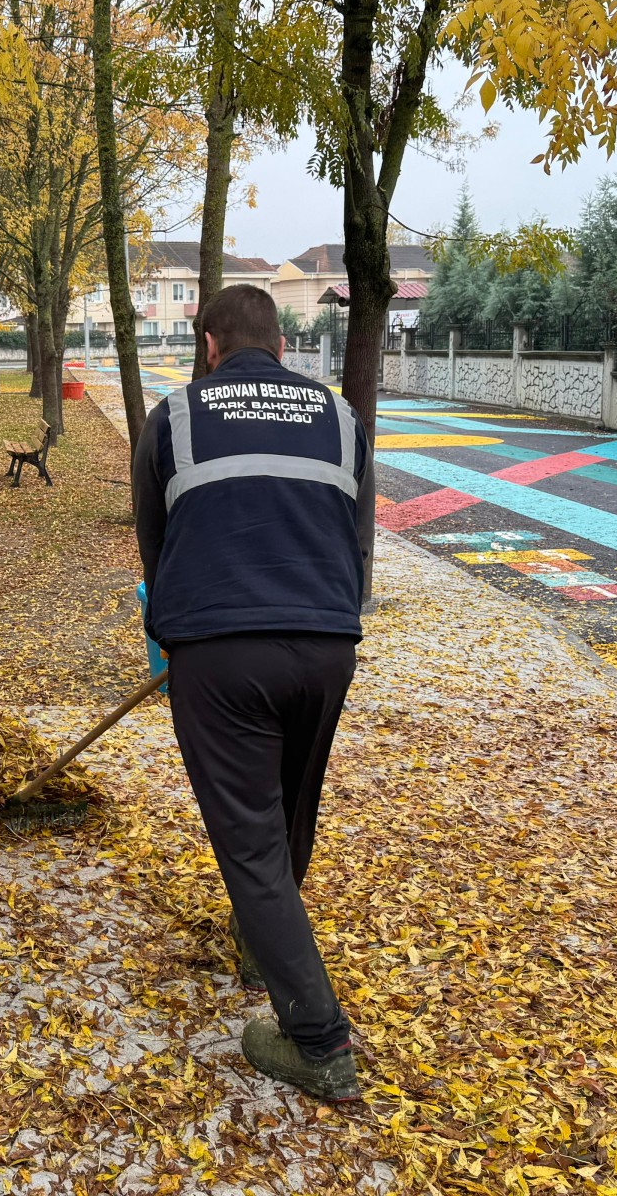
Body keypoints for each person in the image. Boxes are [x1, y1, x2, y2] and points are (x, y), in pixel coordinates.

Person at [131, 284, 373, 1102]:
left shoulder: (175, 416)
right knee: (291, 808)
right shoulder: (341, 418)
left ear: (209, 344)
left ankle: (317, 1041)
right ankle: (260, 939)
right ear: (280, 342)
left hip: (222, 656)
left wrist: (169, 634)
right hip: (328, 643)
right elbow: (357, 541)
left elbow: (155, 547)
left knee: (251, 844)